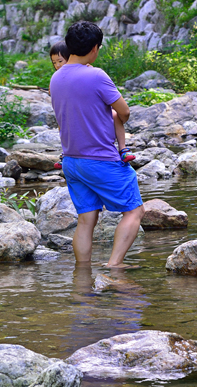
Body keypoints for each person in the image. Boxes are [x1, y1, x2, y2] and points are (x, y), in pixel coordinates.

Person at [50, 21, 145, 268]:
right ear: (94, 48)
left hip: (71, 161)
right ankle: (114, 266)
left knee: (86, 220)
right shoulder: (96, 75)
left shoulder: (56, 78)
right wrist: (117, 119)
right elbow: (124, 112)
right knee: (134, 211)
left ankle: (82, 278)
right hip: (100, 159)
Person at [49, 41, 134, 170]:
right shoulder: (59, 77)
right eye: (54, 63)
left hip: (78, 159)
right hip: (99, 157)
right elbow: (125, 112)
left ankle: (123, 148)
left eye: (60, 61)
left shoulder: (86, 72)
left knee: (115, 115)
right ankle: (65, 153)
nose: (57, 65)